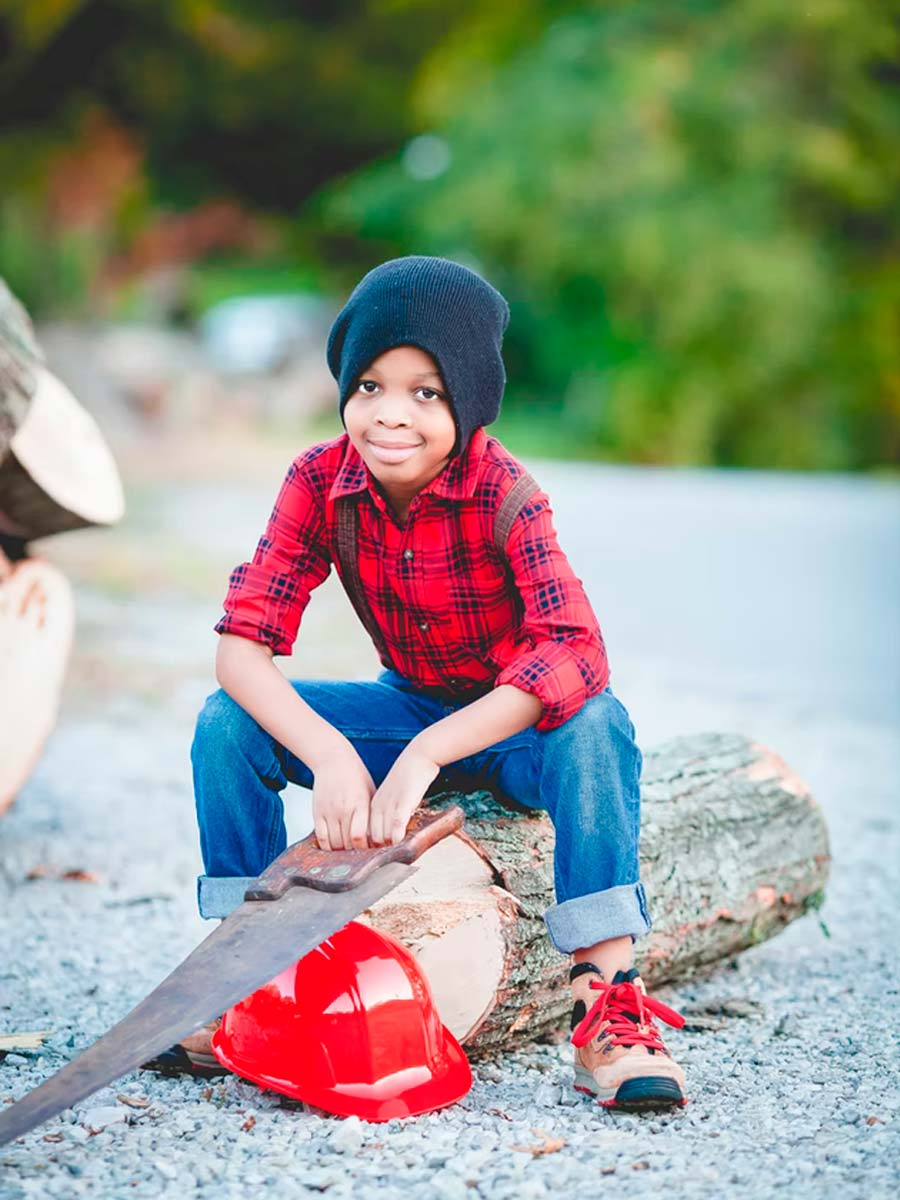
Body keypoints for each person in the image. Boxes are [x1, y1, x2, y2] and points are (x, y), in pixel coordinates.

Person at [165, 256, 687, 1109]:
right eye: (369, 385)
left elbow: (572, 650)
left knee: (599, 722)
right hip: (405, 703)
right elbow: (241, 650)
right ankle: (246, 976)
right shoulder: (318, 480)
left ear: (469, 404)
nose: (390, 415)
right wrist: (334, 755)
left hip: (514, 726)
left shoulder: (506, 492)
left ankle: (608, 1006)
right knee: (227, 723)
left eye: (427, 393)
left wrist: (422, 757)